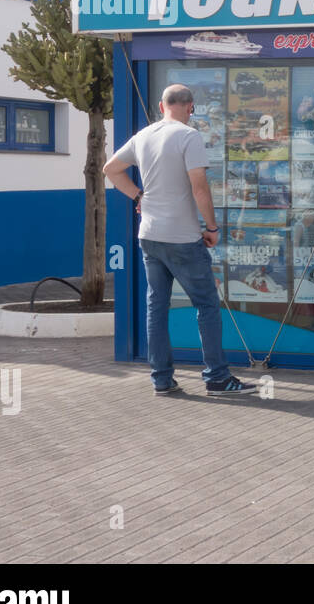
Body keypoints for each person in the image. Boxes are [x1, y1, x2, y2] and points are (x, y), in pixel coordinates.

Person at [103, 84, 257, 397]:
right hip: (183, 238)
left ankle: (161, 379)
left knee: (156, 306)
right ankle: (217, 378)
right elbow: (199, 187)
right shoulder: (189, 136)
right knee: (207, 306)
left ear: (162, 107)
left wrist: (138, 195)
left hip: (149, 235)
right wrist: (211, 227)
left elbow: (111, 169)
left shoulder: (144, 135)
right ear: (190, 108)